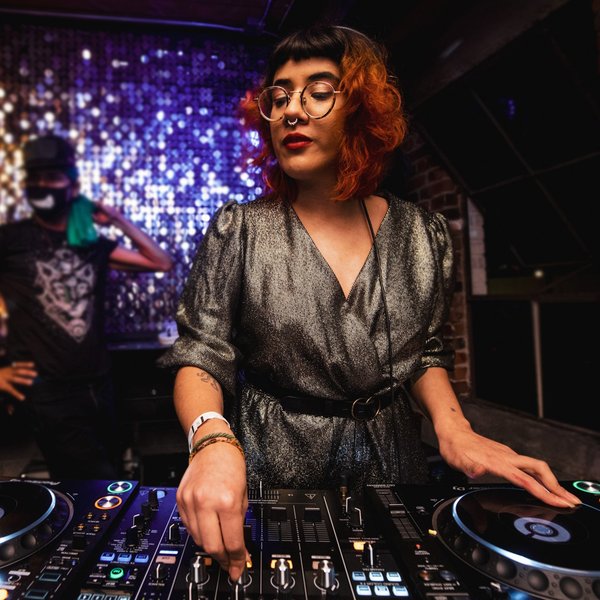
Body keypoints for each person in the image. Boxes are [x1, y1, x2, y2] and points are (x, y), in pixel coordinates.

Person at [158, 25, 581, 581]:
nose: (291, 111)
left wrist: (454, 428)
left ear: (361, 108)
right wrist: (211, 439)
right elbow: (201, 353)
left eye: (318, 92)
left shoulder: (422, 235)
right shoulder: (240, 230)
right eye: (278, 98)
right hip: (270, 465)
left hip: (392, 460)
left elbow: (423, 353)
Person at [0, 133, 174, 479]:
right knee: (92, 483)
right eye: (35, 177)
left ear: (72, 185)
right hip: (49, 393)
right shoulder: (10, 239)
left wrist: (116, 219)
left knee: (111, 481)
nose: (41, 185)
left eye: (52, 176)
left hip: (100, 385)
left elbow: (160, 261)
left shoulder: (89, 243)